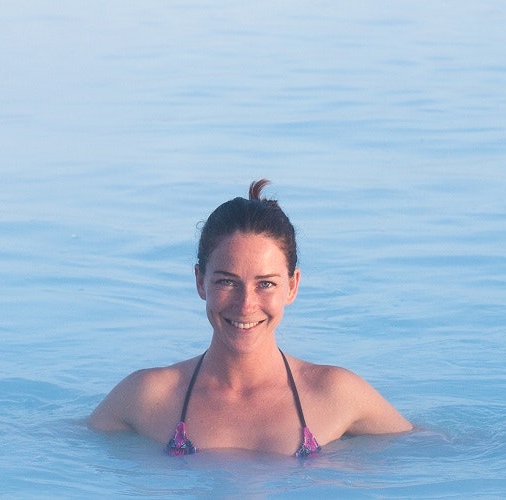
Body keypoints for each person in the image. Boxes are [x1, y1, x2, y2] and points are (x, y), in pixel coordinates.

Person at [89, 179, 411, 458]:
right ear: (200, 281)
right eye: (227, 281)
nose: (246, 305)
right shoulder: (148, 397)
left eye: (266, 284)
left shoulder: (335, 395)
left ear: (292, 286)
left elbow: (429, 451)